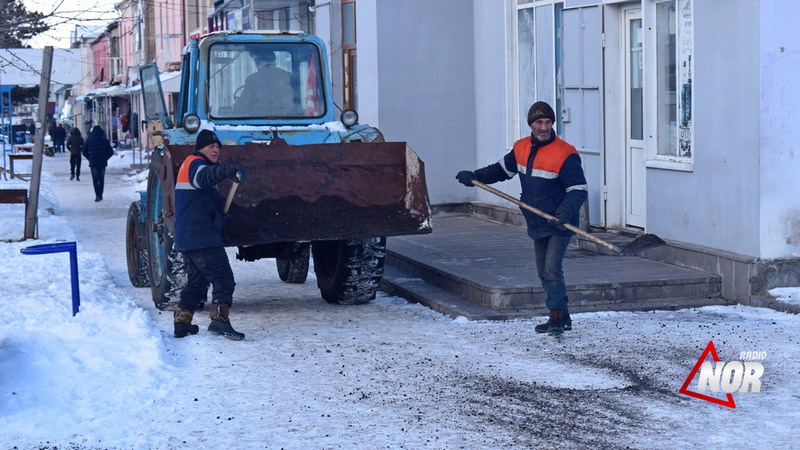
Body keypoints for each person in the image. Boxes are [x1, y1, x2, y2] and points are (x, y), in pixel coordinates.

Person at [456, 101, 588, 336]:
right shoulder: (521, 148)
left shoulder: (566, 153)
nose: (544, 127)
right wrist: (475, 176)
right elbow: (500, 171)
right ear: (531, 125)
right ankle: (564, 315)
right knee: (543, 271)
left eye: (548, 122)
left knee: (551, 269)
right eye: (539, 122)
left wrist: (564, 213)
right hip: (537, 220)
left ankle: (555, 316)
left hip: (560, 222)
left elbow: (578, 190)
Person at [173, 129, 247, 341]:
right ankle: (219, 321)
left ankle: (182, 322)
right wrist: (225, 171)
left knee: (196, 283)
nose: (215, 149)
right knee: (223, 279)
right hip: (201, 237)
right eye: (210, 146)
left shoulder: (198, 165)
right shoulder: (195, 163)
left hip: (189, 237)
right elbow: (204, 178)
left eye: (217, 147)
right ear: (200, 148)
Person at [233, 50, 296, 116]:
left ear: (259, 63)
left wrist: (236, 106)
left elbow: (242, 107)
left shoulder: (252, 79)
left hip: (258, 123)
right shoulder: (288, 76)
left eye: (255, 62)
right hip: (288, 120)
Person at [82, 125, 114, 202]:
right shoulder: (105, 140)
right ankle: (101, 194)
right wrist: (106, 158)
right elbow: (110, 152)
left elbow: (84, 151)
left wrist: (89, 158)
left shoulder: (89, 140)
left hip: (93, 162)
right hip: (102, 162)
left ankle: (97, 195)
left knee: (95, 179)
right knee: (101, 179)